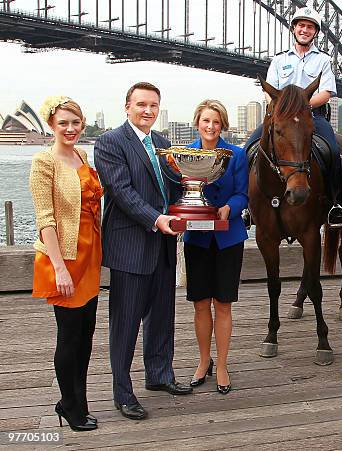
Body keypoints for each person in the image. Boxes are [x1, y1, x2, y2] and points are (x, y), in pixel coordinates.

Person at [94, 82, 192, 421]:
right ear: (127, 106)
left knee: (162, 318)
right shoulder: (110, 142)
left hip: (163, 245)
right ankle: (123, 393)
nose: (147, 110)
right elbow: (121, 192)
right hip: (131, 246)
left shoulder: (163, 144)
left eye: (153, 105)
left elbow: (176, 187)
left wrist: (193, 199)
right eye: (141, 104)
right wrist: (157, 219)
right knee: (125, 323)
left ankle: (159, 375)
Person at [30, 96, 102, 431]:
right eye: (63, 123)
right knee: (69, 336)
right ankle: (69, 406)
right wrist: (59, 268)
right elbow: (46, 219)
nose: (70, 129)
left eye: (75, 122)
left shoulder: (81, 155)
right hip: (65, 258)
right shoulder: (44, 163)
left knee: (86, 334)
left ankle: (78, 399)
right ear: (51, 125)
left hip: (91, 257)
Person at [244, 6, 342, 227]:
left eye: (310, 27)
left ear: (316, 32)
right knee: (249, 148)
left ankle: (335, 204)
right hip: (281, 117)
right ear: (293, 28)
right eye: (301, 25)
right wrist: (286, 109)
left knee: (333, 151)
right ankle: (247, 206)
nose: (305, 30)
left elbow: (327, 93)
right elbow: (269, 89)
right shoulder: (279, 60)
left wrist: (300, 106)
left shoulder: (324, 60)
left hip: (312, 117)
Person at [179, 100, 248, 395]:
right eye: (206, 121)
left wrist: (228, 209)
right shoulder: (183, 155)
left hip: (228, 237)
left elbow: (243, 194)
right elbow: (179, 192)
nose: (210, 127)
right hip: (197, 238)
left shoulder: (238, 155)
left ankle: (222, 364)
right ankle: (203, 360)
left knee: (223, 303)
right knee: (199, 303)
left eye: (216, 122)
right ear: (197, 122)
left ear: (223, 126)